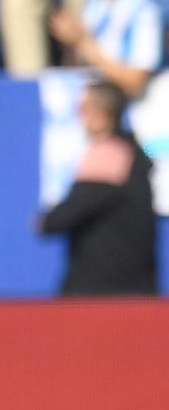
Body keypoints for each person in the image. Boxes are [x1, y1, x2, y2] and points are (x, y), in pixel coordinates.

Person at [38, 80, 159, 295]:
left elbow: (63, 216)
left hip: (104, 291)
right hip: (134, 287)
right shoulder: (132, 151)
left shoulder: (108, 155)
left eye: (83, 108)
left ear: (100, 114)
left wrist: (45, 221)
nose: (79, 116)